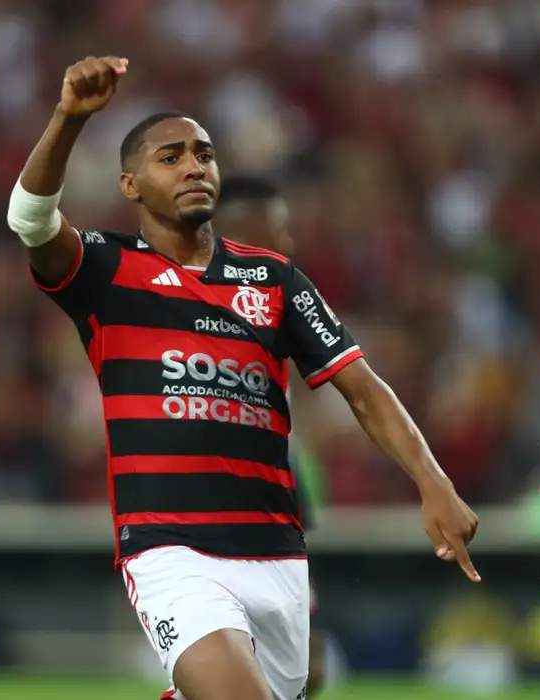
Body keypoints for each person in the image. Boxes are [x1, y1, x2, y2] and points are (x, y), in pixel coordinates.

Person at [7, 56, 480, 700]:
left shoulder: (274, 281)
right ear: (131, 185)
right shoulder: (106, 271)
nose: (195, 166)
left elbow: (363, 389)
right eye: (170, 157)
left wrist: (433, 481)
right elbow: (29, 221)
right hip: (171, 551)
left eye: (204, 153)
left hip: (276, 554)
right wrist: (67, 118)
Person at [214, 175, 328, 694]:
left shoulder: (281, 296)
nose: (289, 244)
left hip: (277, 483)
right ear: (244, 230)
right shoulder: (194, 303)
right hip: (209, 513)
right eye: (279, 229)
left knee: (309, 670)